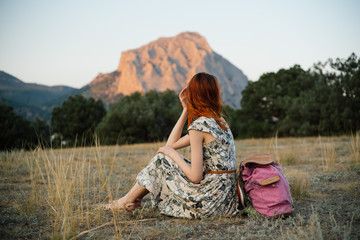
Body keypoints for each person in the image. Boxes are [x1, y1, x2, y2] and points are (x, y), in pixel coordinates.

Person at [105, 72, 239, 219]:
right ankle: (130, 199)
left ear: (193, 95)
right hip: (226, 201)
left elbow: (195, 176)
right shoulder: (219, 122)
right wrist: (185, 111)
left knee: (162, 159)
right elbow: (171, 144)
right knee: (164, 156)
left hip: (209, 202)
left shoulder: (200, 125)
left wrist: (172, 154)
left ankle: (128, 200)